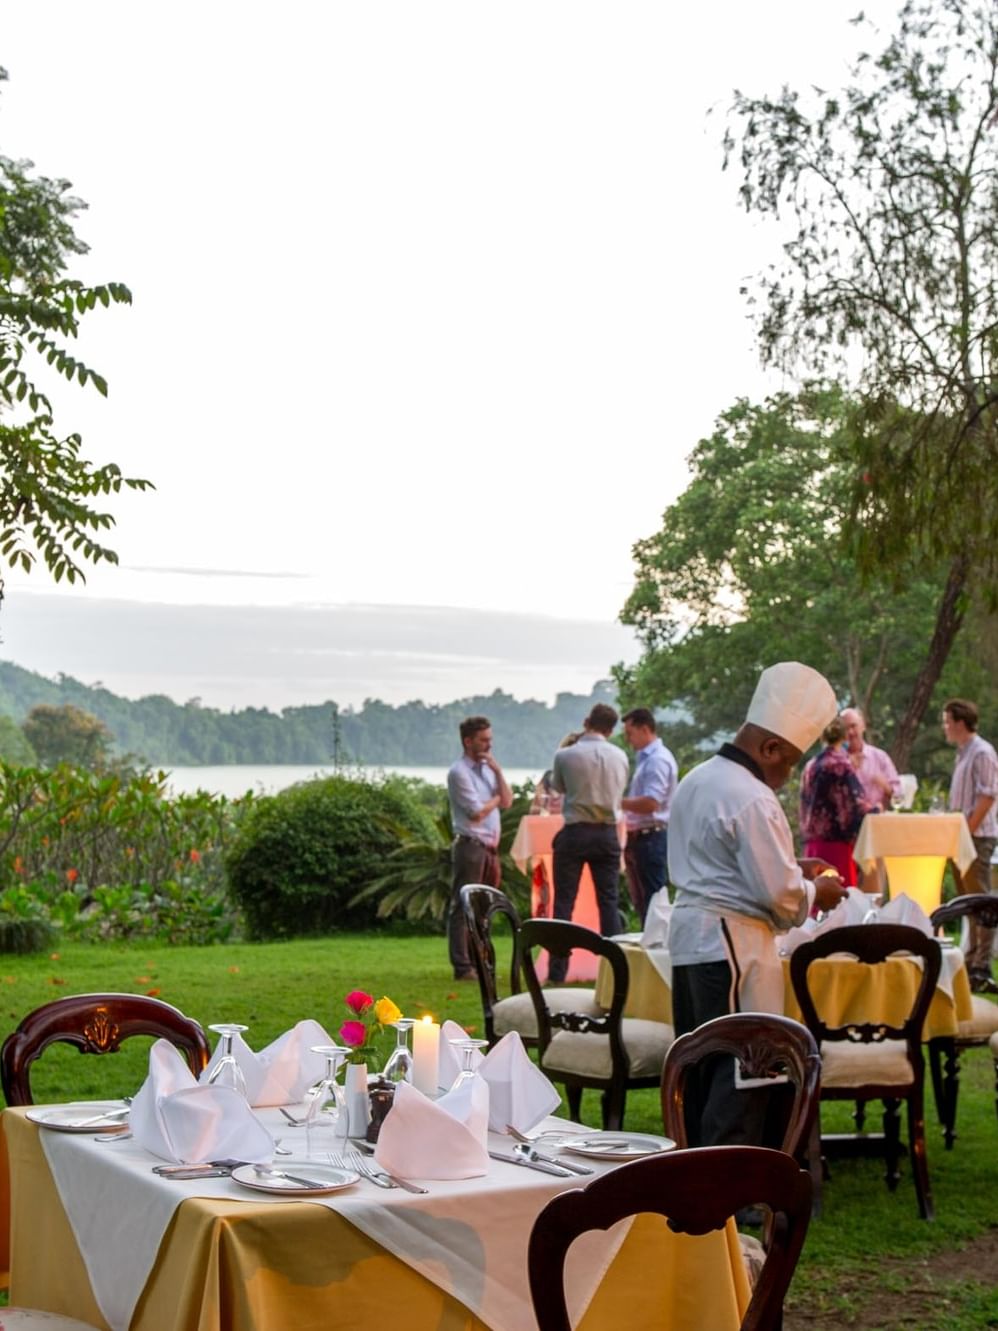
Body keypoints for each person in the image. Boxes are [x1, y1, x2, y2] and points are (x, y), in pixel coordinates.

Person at [667, 661, 847, 1147]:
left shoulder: (697, 778)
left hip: (690, 938)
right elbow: (780, 897)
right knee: (740, 1071)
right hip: (730, 944)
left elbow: (726, 865)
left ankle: (697, 1179)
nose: (788, 776)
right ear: (770, 747)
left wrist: (792, 865)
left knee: (699, 1066)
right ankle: (730, 1192)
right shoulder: (752, 796)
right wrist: (817, 891)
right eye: (788, 762)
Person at [548, 703, 629, 982]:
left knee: (564, 902)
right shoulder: (620, 757)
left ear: (587, 722)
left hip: (576, 831)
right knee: (608, 902)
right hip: (607, 833)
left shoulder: (566, 756)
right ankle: (617, 971)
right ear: (611, 729)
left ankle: (557, 971)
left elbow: (559, 787)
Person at [446, 715, 513, 981]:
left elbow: (507, 801)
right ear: (468, 741)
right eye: (484, 740)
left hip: (490, 848)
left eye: (490, 739)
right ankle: (462, 966)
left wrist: (497, 772)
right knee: (463, 906)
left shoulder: (488, 770)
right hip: (470, 845)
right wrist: (496, 798)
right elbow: (475, 813)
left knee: (484, 907)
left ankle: (481, 961)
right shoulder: (458, 772)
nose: (489, 745)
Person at [943, 698, 998, 995]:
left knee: (982, 902)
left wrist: (967, 832)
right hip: (960, 838)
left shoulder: (982, 752)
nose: (945, 727)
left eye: (947, 721)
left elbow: (988, 795)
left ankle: (982, 966)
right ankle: (970, 959)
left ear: (960, 722)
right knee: (969, 903)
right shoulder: (963, 753)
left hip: (976, 838)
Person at [620, 707, 678, 923]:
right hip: (642, 836)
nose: (628, 739)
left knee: (653, 901)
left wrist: (616, 802)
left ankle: (655, 946)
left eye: (629, 733)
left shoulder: (657, 760)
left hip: (650, 837)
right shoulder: (647, 759)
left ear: (644, 729)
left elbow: (651, 803)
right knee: (643, 901)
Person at [799, 715, 869, 887]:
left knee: (814, 900)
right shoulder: (842, 766)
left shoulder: (810, 766)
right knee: (841, 902)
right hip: (837, 846)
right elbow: (855, 806)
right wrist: (876, 809)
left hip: (812, 846)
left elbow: (802, 804)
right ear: (844, 736)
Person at [842, 707, 901, 812]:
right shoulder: (837, 761)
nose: (850, 732)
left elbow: (899, 796)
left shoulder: (880, 757)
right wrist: (848, 769)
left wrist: (885, 785)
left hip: (878, 822)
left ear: (863, 726)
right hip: (847, 824)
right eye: (845, 729)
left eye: (853, 726)